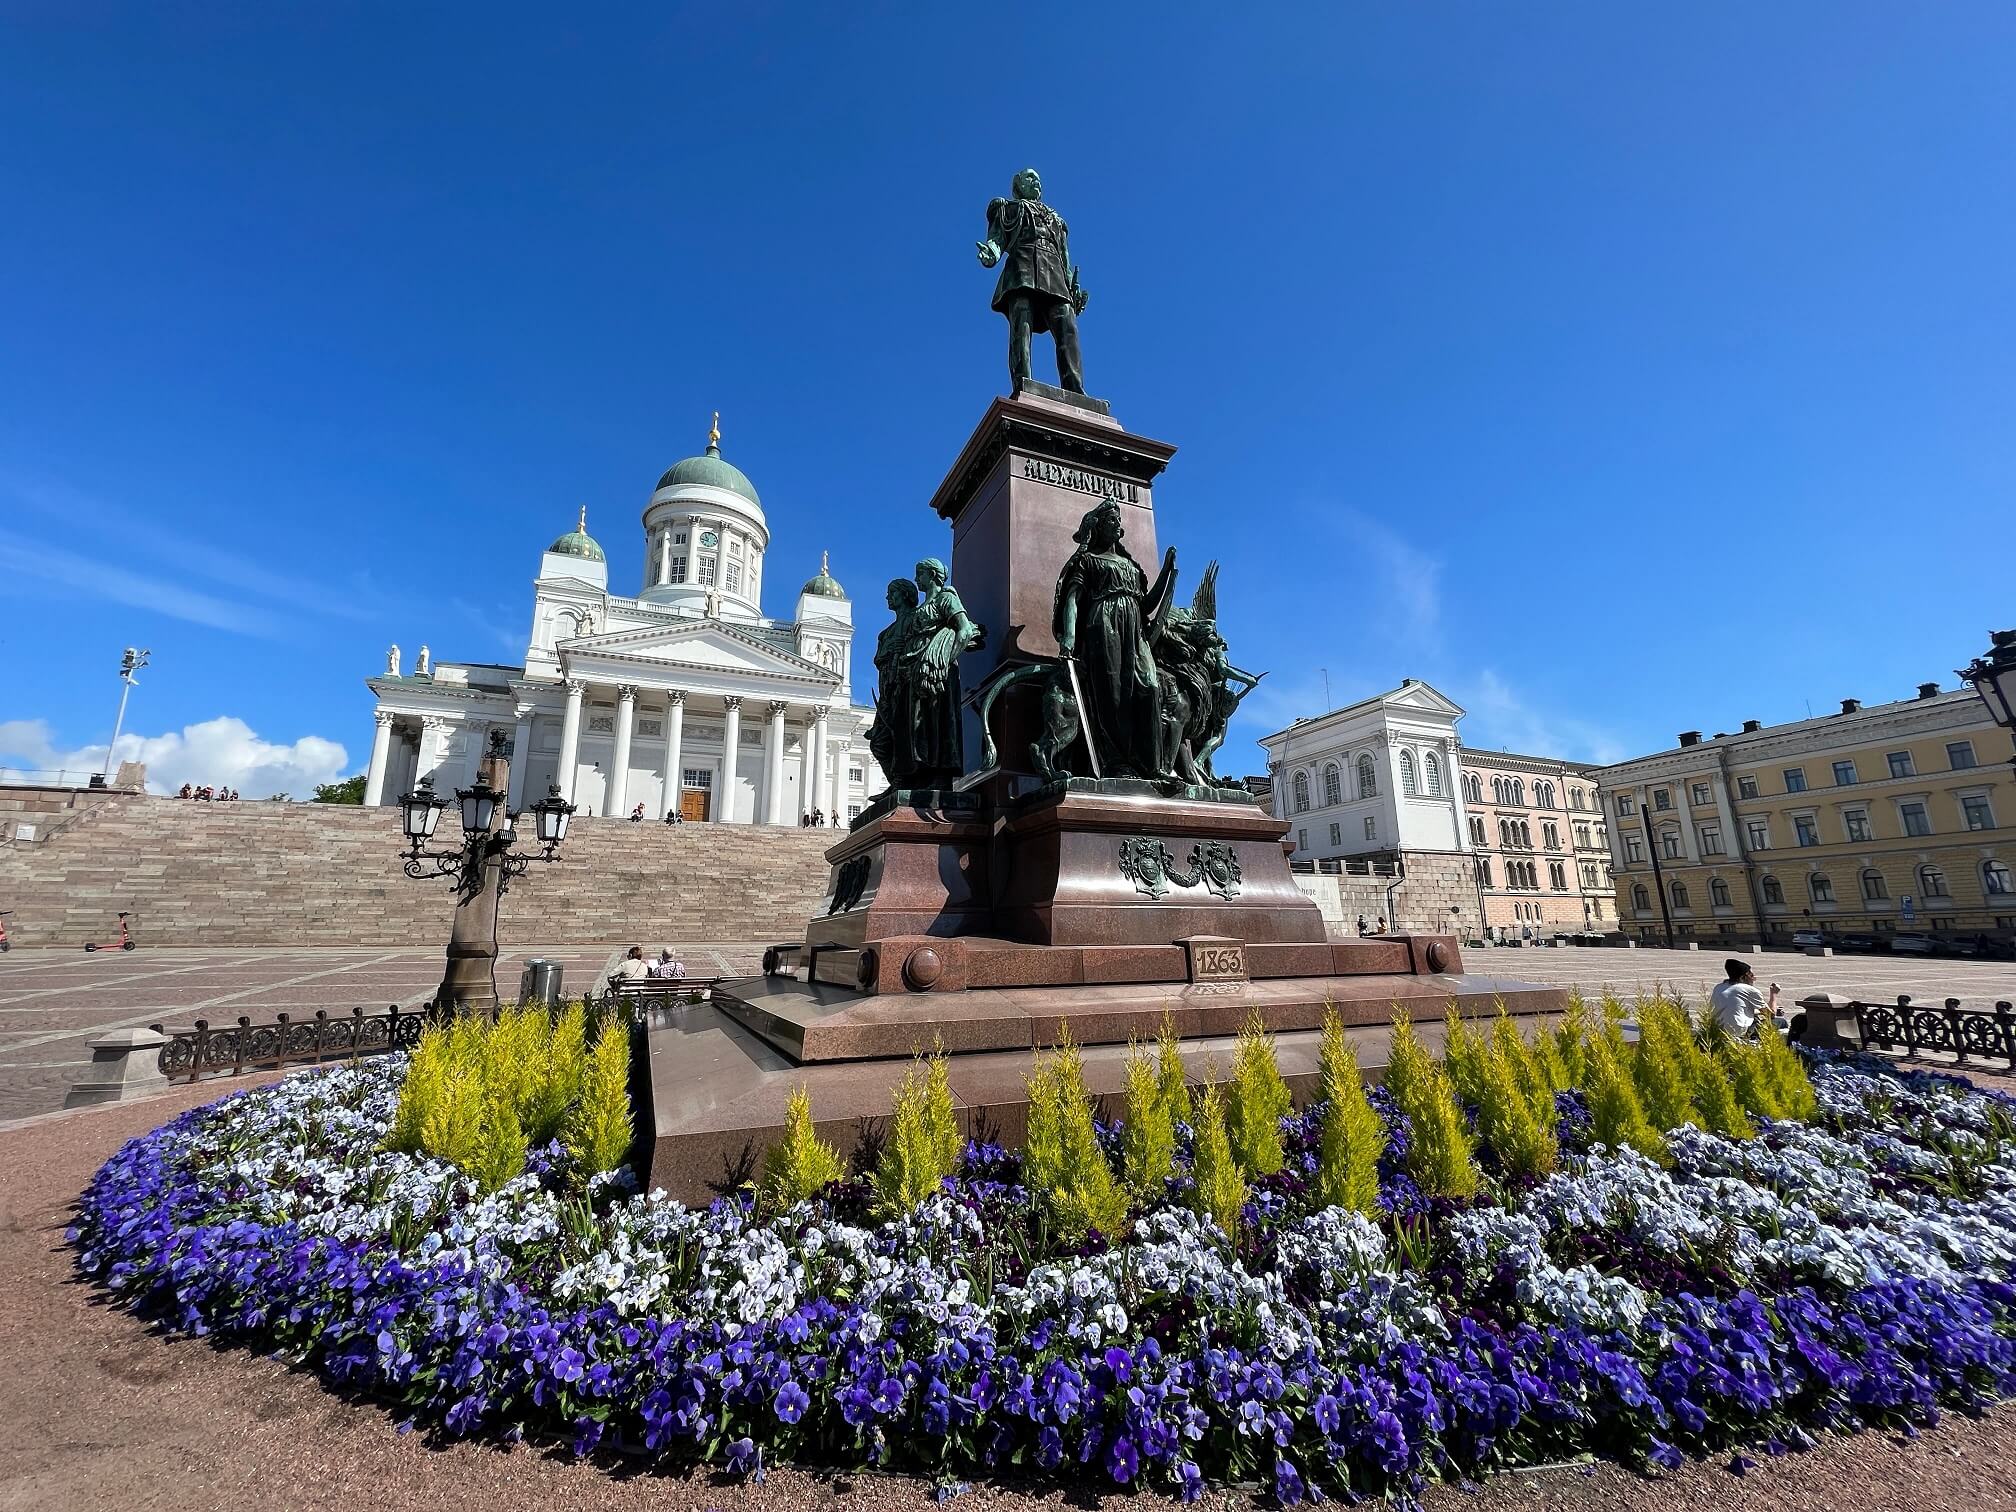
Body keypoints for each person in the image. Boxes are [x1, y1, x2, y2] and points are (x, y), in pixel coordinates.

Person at [1709, 958, 1779, 1039]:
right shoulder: (1749, 990)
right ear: (1743, 977)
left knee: (1757, 1017)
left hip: (1717, 1029)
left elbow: (1735, 1007)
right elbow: (1771, 1015)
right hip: (1737, 1031)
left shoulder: (1719, 987)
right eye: (1752, 976)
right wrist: (1773, 994)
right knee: (1780, 1022)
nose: (1753, 979)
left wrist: (1758, 1012)